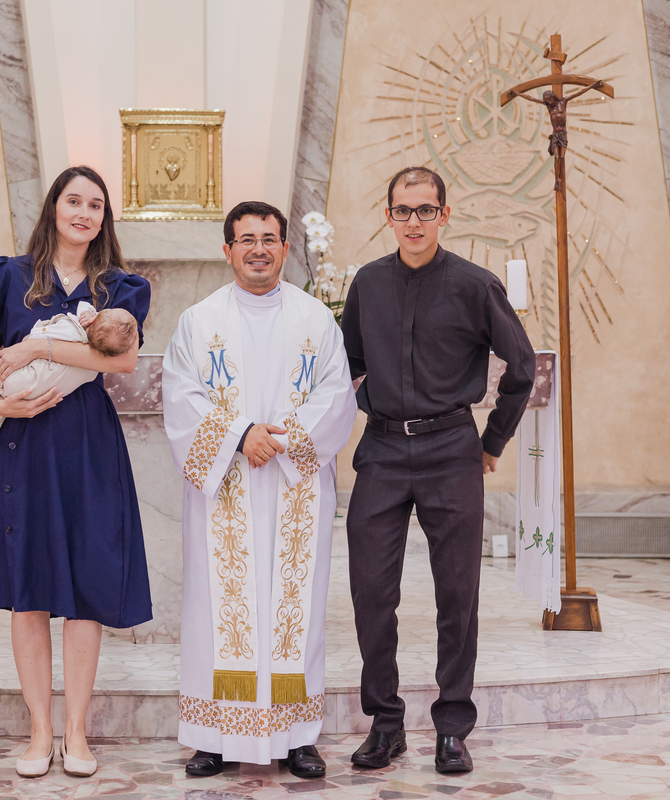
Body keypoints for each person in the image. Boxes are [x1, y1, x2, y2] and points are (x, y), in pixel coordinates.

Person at [0, 165, 152, 779]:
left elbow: (123, 358)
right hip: (22, 447)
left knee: (86, 586)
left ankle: (77, 733)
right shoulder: (8, 276)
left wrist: (37, 347)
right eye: (73, 201)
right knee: (29, 590)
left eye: (95, 204)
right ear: (54, 208)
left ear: (104, 217)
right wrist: (0, 404)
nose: (83, 213)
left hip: (89, 446)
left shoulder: (120, 286)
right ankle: (38, 732)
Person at [341, 167, 535, 775]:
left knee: (458, 594)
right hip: (381, 452)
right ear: (389, 215)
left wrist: (491, 439)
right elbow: (345, 364)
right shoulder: (367, 285)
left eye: (426, 211)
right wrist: (367, 408)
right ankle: (386, 723)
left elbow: (522, 365)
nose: (414, 222)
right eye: (404, 211)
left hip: (452, 449)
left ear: (445, 215)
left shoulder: (476, 285)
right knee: (372, 592)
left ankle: (453, 726)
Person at [162, 201, 356, 779]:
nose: (258, 249)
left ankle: (297, 735)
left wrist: (284, 441)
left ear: (285, 247)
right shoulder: (199, 320)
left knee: (296, 611)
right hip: (226, 491)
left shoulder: (316, 318)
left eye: (269, 238)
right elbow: (181, 396)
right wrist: (239, 436)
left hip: (295, 490)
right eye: (246, 239)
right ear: (227, 250)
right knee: (217, 612)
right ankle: (213, 736)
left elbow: (337, 394)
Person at [0, 303, 139, 443]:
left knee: (11, 376)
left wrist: (33, 345)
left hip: (35, 376)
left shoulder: (74, 330)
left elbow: (42, 334)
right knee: (16, 387)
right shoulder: (92, 365)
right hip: (47, 390)